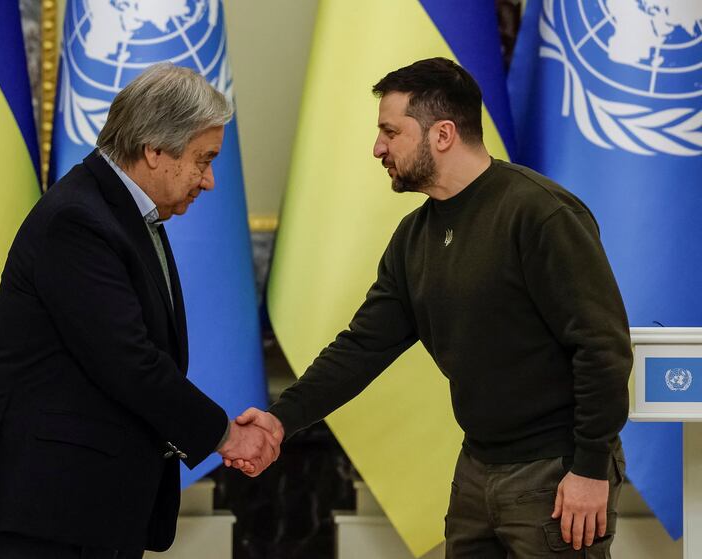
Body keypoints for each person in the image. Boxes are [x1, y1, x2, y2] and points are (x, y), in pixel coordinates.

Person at [232, 57, 632, 558]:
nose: (378, 148)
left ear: (442, 134)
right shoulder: (414, 237)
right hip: (476, 468)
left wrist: (591, 469)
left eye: (390, 132)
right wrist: (281, 420)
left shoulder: (540, 213)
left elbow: (602, 347)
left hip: (557, 471)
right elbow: (362, 347)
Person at [0, 63, 278, 559]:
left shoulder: (122, 213)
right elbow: (129, 362)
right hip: (39, 516)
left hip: (84, 510)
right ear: (154, 150)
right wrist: (226, 435)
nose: (209, 181)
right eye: (203, 159)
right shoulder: (77, 221)